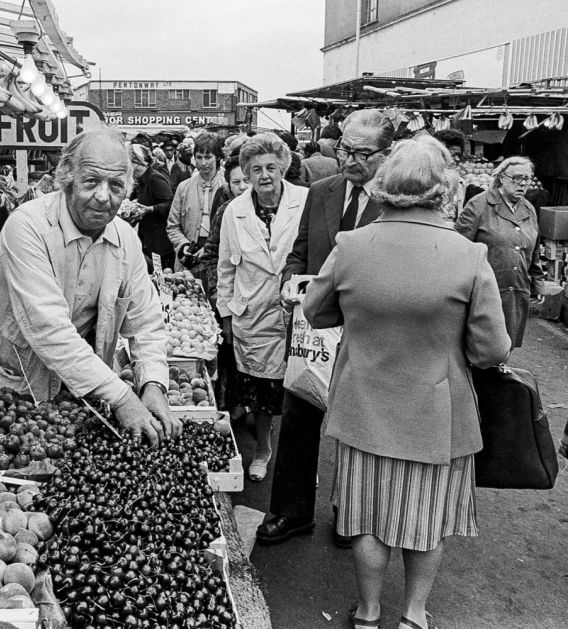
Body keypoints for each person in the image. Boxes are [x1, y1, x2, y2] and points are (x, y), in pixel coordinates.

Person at [303, 136, 510, 629]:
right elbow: (492, 350)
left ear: (385, 185)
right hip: (437, 416)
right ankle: (414, 614)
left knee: (366, 520)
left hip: (362, 407)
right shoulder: (468, 255)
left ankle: (369, 612)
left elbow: (315, 311)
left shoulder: (351, 246)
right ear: (445, 190)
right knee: (427, 521)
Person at [0, 126, 182, 446]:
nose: (104, 196)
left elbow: (146, 322)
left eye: (116, 184)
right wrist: (123, 398)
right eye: (91, 181)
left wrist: (153, 384)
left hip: (85, 389)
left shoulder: (126, 239)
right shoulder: (28, 226)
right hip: (16, 387)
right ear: (67, 178)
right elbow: (49, 329)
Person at [257, 109, 393, 548]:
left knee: (358, 427)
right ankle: (292, 511)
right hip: (314, 332)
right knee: (298, 418)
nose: (349, 160)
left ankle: (350, 511)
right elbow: (300, 253)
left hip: (367, 335)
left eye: (362, 153)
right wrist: (290, 282)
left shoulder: (397, 201)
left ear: (387, 155)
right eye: (344, 150)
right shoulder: (321, 191)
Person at [217, 133, 308, 482]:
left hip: (295, 314)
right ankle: (263, 449)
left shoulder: (305, 200)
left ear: (283, 166)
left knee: (302, 390)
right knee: (261, 392)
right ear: (246, 173)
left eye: (271, 167)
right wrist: (226, 315)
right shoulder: (234, 211)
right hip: (251, 314)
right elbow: (226, 268)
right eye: (255, 169)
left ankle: (300, 457)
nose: (264, 175)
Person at [455, 156, 545, 348]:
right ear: (502, 178)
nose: (523, 184)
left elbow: (534, 250)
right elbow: (458, 249)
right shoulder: (479, 205)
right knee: (481, 347)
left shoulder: (528, 209)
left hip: (516, 289)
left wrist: (538, 283)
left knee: (506, 345)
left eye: (527, 179)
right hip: (484, 291)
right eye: (517, 178)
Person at [200, 149, 249, 417]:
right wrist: (216, 296)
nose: (242, 187)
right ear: (228, 185)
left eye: (246, 180)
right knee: (229, 356)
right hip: (230, 300)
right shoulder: (224, 212)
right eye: (236, 182)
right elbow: (211, 254)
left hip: (264, 304)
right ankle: (233, 406)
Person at [167, 132, 226, 280]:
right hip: (189, 255)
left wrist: (211, 248)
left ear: (218, 157)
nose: (203, 163)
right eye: (199, 157)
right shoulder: (184, 187)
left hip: (219, 257)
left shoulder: (228, 186)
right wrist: (183, 245)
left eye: (208, 157)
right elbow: (172, 226)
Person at [128, 144, 176, 272]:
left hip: (160, 244)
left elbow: (171, 204)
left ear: (137, 163)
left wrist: (150, 209)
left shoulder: (154, 178)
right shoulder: (140, 182)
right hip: (148, 240)